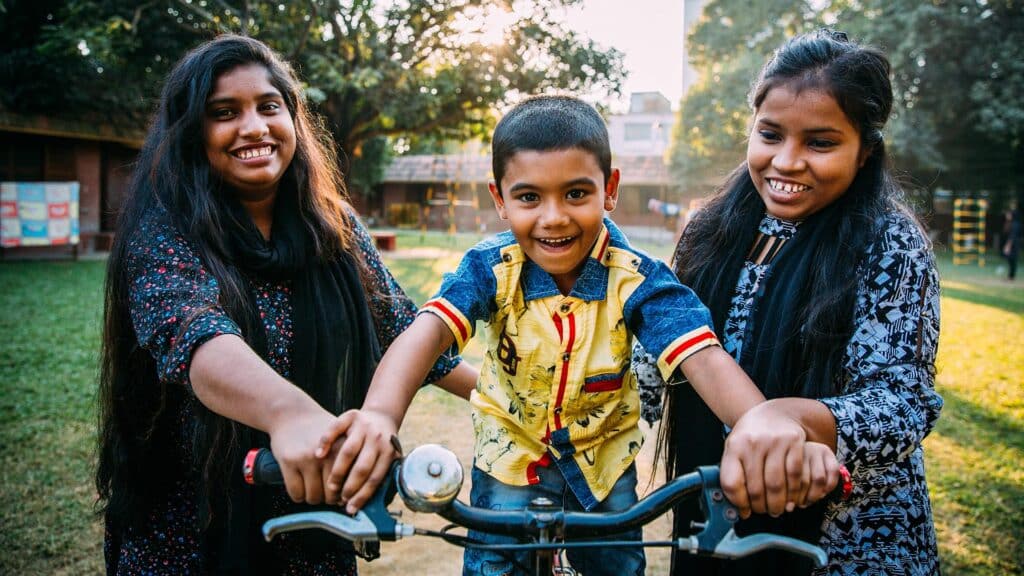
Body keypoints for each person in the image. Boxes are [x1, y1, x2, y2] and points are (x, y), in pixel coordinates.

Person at [315, 95, 840, 576]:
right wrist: (381, 415)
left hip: (603, 461)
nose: (554, 217)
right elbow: (425, 332)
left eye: (576, 193)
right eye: (529, 197)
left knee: (614, 565)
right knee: (498, 564)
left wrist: (758, 424)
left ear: (609, 190)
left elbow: (699, 351)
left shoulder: (637, 278)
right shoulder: (489, 268)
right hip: (509, 455)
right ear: (500, 200)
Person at [94, 35, 476, 575]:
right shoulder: (166, 227)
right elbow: (195, 336)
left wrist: (511, 402)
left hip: (314, 523)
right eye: (224, 112)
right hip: (193, 532)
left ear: (292, 119)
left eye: (268, 107)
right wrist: (289, 414)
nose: (253, 127)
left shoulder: (334, 225)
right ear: (192, 132)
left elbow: (407, 332)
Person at [633, 30, 944, 575]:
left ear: (864, 149)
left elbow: (903, 403)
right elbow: (658, 362)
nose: (787, 161)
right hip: (716, 527)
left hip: (845, 544)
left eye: (820, 143)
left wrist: (791, 419)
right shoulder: (709, 230)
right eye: (770, 134)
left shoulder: (890, 242)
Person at [1002, 203, 1020, 280]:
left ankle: (1011, 276)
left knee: (1013, 260)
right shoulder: (1010, 223)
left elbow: (1012, 236)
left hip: (1014, 245)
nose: (1007, 215)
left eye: (1008, 214)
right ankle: (1010, 276)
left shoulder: (1015, 224)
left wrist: (1008, 246)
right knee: (1010, 260)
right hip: (1012, 244)